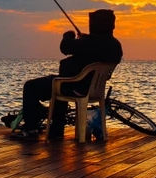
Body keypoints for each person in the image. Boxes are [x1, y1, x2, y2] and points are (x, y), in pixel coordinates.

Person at [11, 9, 123, 140]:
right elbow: (95, 46)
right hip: (92, 89)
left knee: (31, 87)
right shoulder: (115, 45)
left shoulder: (88, 43)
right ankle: (55, 129)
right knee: (61, 81)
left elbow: (65, 47)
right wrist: (85, 38)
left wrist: (68, 35)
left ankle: (31, 129)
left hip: (74, 86)